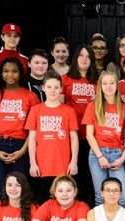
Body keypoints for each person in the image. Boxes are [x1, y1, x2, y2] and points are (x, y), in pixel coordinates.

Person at [0, 57, 39, 196]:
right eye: (6, 71)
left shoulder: (31, 97)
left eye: (14, 71)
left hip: (22, 145)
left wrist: (22, 151)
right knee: (2, 190)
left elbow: (35, 129)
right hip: (0, 144)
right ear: (1, 74)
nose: (10, 74)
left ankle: (21, 218)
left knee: (21, 190)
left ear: (20, 73)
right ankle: (1, 217)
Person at [26, 70, 79, 204]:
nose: (53, 90)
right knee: (43, 199)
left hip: (63, 164)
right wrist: (33, 163)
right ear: (43, 88)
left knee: (63, 199)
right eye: (49, 87)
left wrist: (73, 161)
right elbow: (32, 138)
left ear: (61, 89)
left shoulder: (68, 111)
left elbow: (74, 138)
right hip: (42, 165)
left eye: (56, 87)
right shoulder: (36, 110)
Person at [83, 71, 125, 207]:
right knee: (100, 195)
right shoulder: (93, 106)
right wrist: (100, 156)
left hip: (117, 154)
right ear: (100, 87)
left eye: (112, 83)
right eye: (105, 83)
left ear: (117, 85)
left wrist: (123, 157)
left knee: (122, 196)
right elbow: (89, 135)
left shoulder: (124, 107)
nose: (108, 86)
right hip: (98, 154)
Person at [61, 44, 99, 204]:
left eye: (88, 56)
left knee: (90, 175)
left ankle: (87, 207)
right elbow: (60, 109)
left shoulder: (98, 81)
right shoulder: (65, 79)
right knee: (73, 173)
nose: (84, 59)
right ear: (75, 58)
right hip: (71, 135)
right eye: (81, 55)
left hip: (92, 135)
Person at [0, 23, 29, 98]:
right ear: (2, 37)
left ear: (19, 38)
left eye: (16, 36)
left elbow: (28, 83)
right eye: (8, 35)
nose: (12, 38)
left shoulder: (26, 60)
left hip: (20, 102)